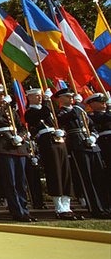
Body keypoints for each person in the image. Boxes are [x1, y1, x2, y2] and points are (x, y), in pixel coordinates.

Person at [55, 88, 109, 218]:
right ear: (61, 99)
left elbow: (92, 126)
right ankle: (95, 208)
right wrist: (78, 106)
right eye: (67, 96)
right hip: (78, 145)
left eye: (71, 96)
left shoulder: (80, 110)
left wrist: (94, 136)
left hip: (91, 145)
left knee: (99, 177)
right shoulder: (61, 112)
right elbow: (67, 118)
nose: (71, 98)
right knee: (88, 178)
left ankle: (105, 207)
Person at [24, 88, 78, 220]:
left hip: (58, 140)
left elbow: (70, 116)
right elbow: (43, 113)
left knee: (65, 172)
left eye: (41, 96)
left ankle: (67, 206)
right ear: (30, 97)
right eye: (37, 96)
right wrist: (48, 101)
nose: (40, 98)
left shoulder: (49, 110)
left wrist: (62, 131)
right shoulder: (30, 112)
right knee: (55, 172)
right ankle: (59, 207)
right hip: (47, 141)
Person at [0, 85, 36, 222]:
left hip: (18, 147)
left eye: (3, 94)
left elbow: (21, 126)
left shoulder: (12, 111)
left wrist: (21, 136)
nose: (2, 97)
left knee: (21, 181)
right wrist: (4, 106)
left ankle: (24, 210)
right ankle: (17, 211)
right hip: (5, 146)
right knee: (11, 181)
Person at [86, 93, 111, 213]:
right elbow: (105, 118)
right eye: (100, 102)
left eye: (104, 102)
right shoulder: (92, 115)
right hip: (105, 144)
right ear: (92, 104)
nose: (104, 104)